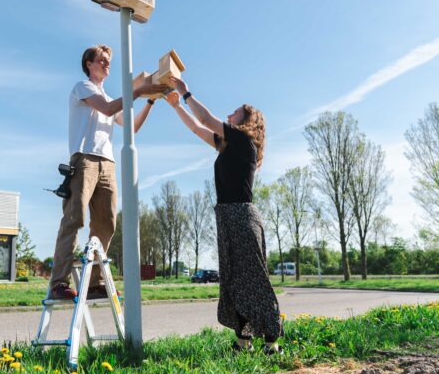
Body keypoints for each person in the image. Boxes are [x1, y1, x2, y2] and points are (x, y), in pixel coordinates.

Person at [164, 78, 283, 353]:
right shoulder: (230, 145)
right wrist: (175, 106)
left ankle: (272, 340)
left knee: (253, 278)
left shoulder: (243, 140)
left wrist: (185, 92)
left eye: (235, 112)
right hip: (227, 217)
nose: (230, 114)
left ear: (247, 120)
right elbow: (197, 128)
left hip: (242, 216)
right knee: (233, 280)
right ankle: (244, 342)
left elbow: (205, 117)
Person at [48, 44, 162, 300]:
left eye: (109, 61)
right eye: (102, 60)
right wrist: (138, 91)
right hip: (84, 159)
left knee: (106, 223)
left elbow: (132, 127)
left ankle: (95, 283)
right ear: (89, 63)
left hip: (107, 163)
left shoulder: (109, 98)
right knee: (74, 219)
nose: (107, 64)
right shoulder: (83, 87)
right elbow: (109, 109)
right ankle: (58, 283)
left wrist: (150, 100)